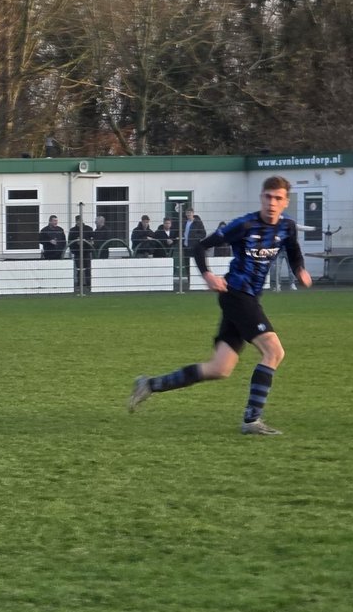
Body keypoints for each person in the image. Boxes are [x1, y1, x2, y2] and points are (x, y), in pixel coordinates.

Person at [129, 176, 312, 436]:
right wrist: (208, 275)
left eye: (278, 198)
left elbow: (293, 251)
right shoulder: (244, 224)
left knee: (219, 368)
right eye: (268, 197)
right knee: (274, 351)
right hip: (236, 295)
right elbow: (199, 247)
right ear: (261, 197)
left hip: (249, 298)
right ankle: (251, 420)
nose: (272, 203)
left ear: (286, 202)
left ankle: (149, 384)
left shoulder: (287, 227)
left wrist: (300, 270)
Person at [68, 214, 93, 289]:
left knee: (88, 268)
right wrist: (76, 245)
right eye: (77, 221)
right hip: (77, 252)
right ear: (76, 221)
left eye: (80, 221)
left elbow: (92, 240)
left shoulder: (88, 229)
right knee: (79, 269)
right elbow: (70, 242)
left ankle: (89, 284)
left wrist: (86, 242)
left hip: (87, 252)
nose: (79, 222)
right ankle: (79, 284)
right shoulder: (72, 230)